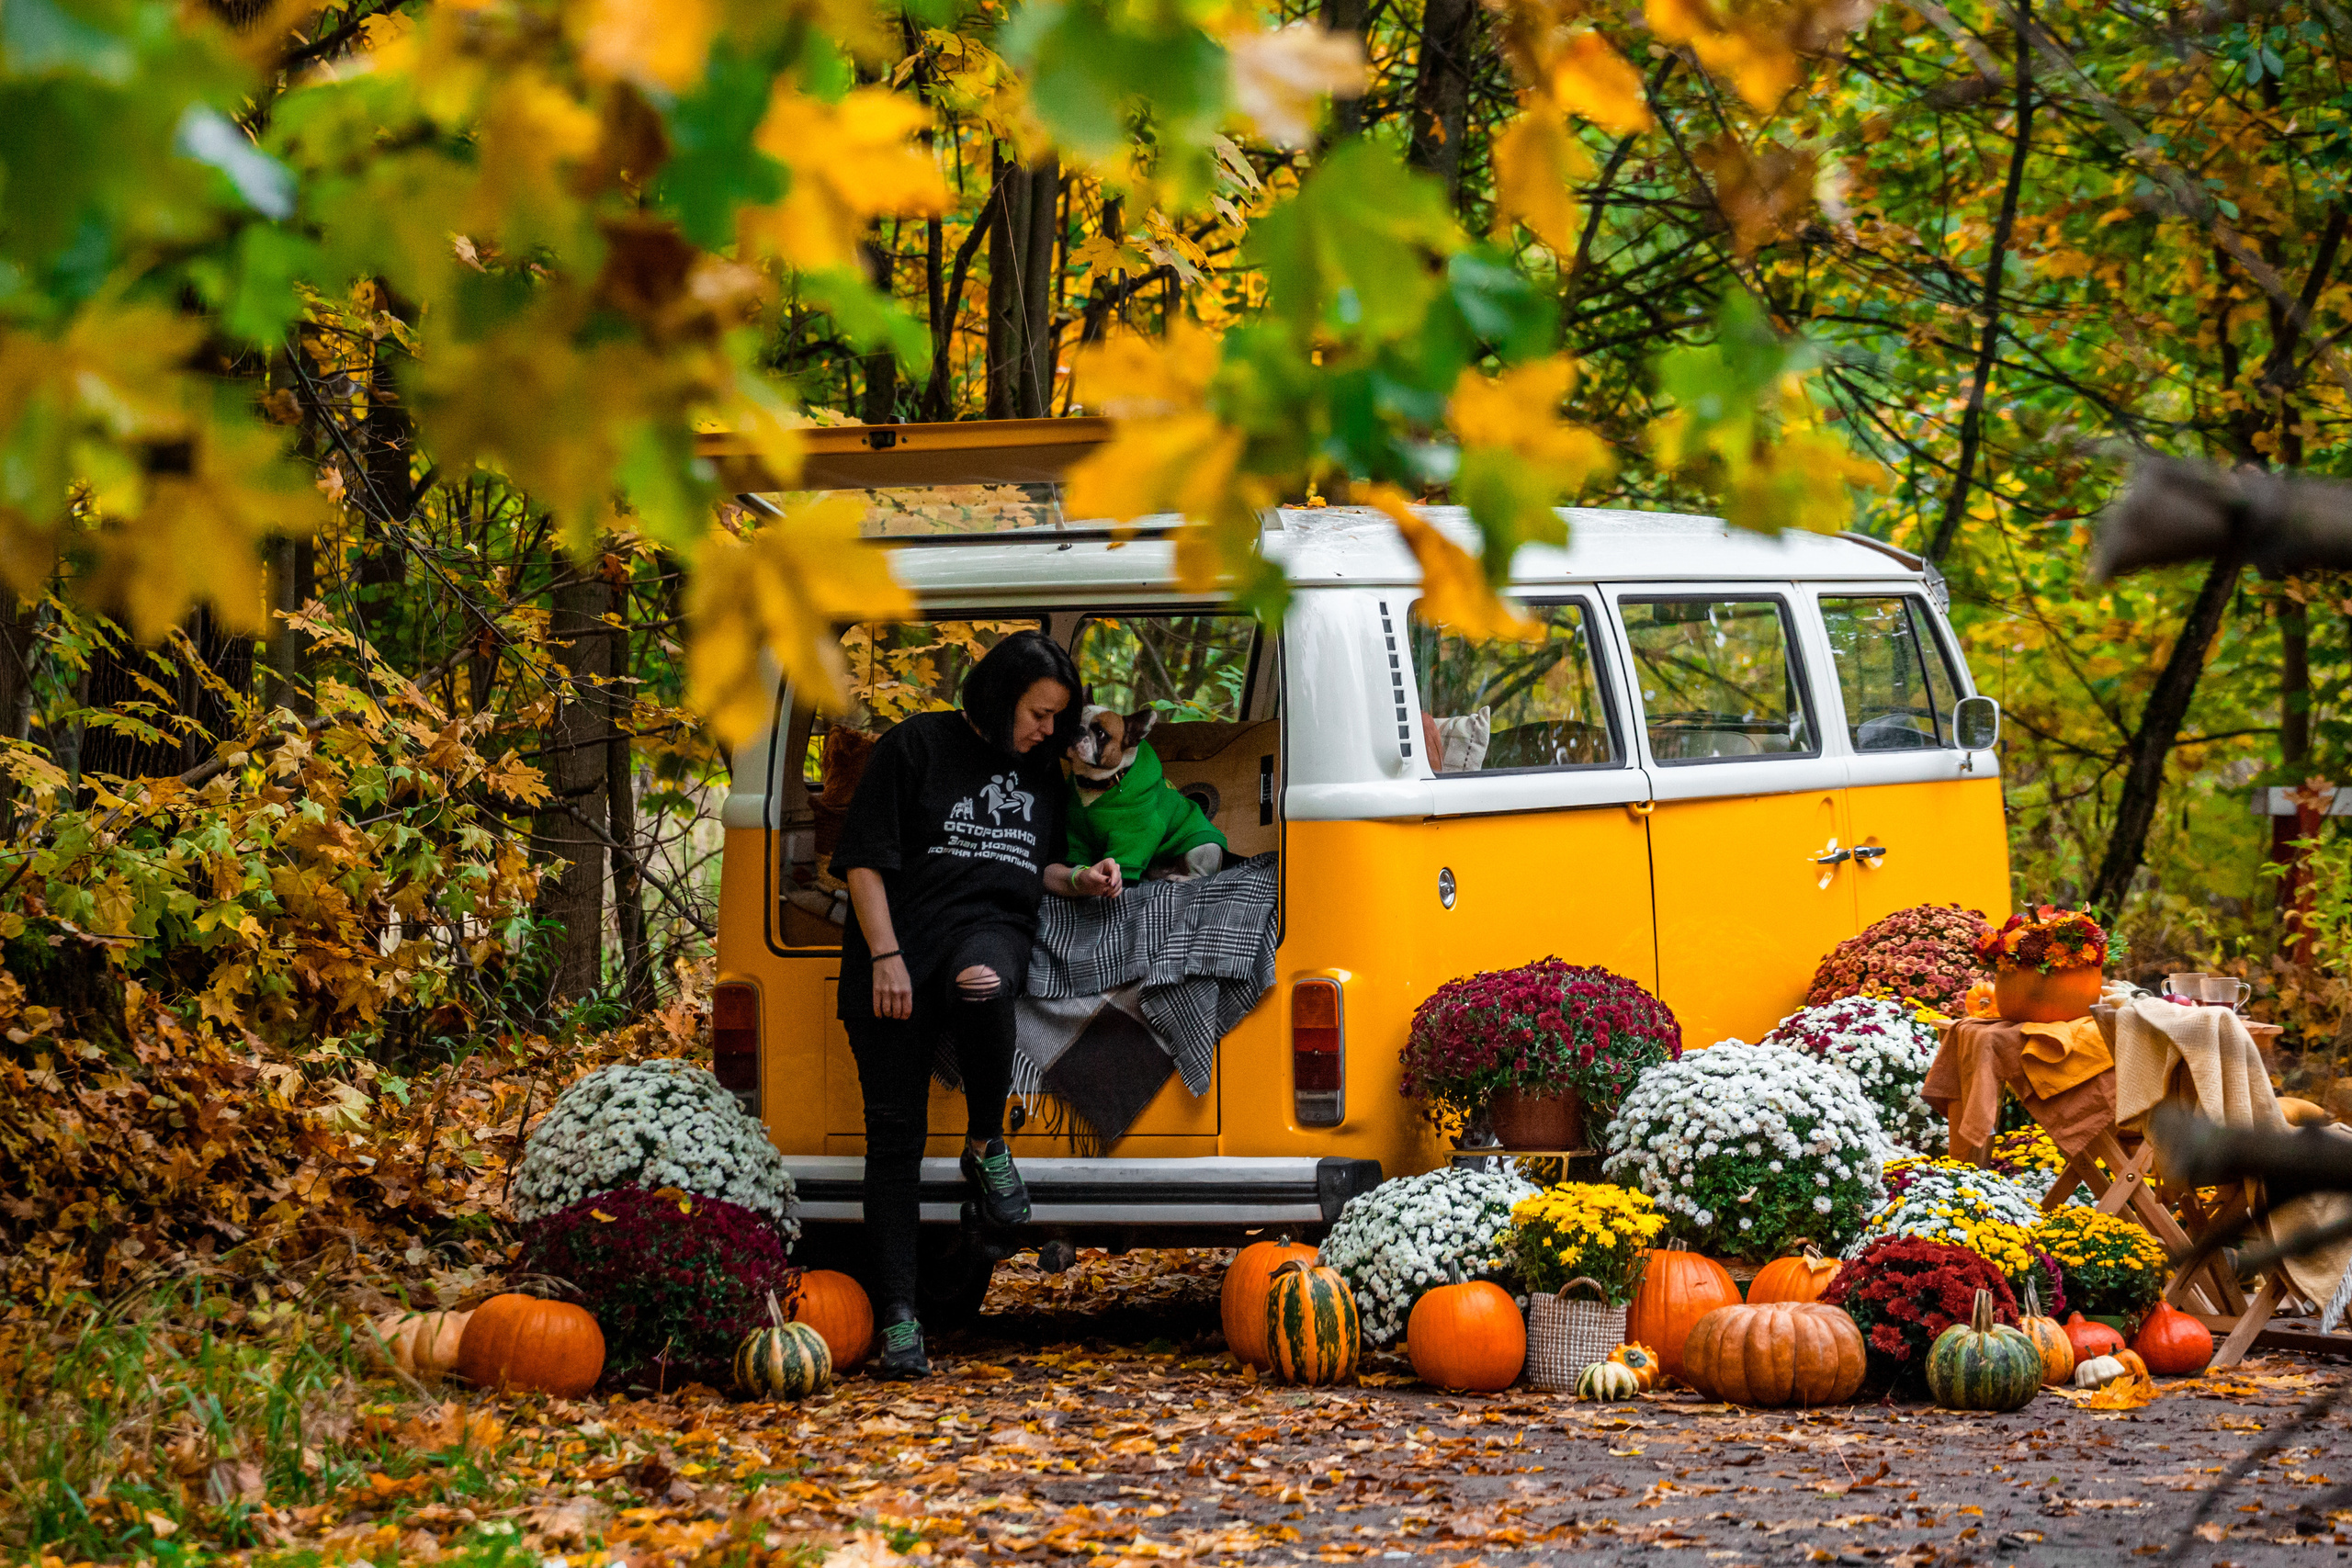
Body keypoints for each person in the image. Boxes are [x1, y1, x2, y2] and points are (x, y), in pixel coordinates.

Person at [829, 630, 1124, 1379]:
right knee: (892, 1142)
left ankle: (987, 1142)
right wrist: (886, 958)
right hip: (899, 945)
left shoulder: (1042, 774)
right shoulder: (915, 747)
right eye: (1038, 713)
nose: (1047, 731)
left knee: (984, 981)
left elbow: (1040, 864)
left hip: (989, 929)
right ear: (998, 699)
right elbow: (863, 861)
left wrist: (1081, 879)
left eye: (1057, 717)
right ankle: (899, 1317)